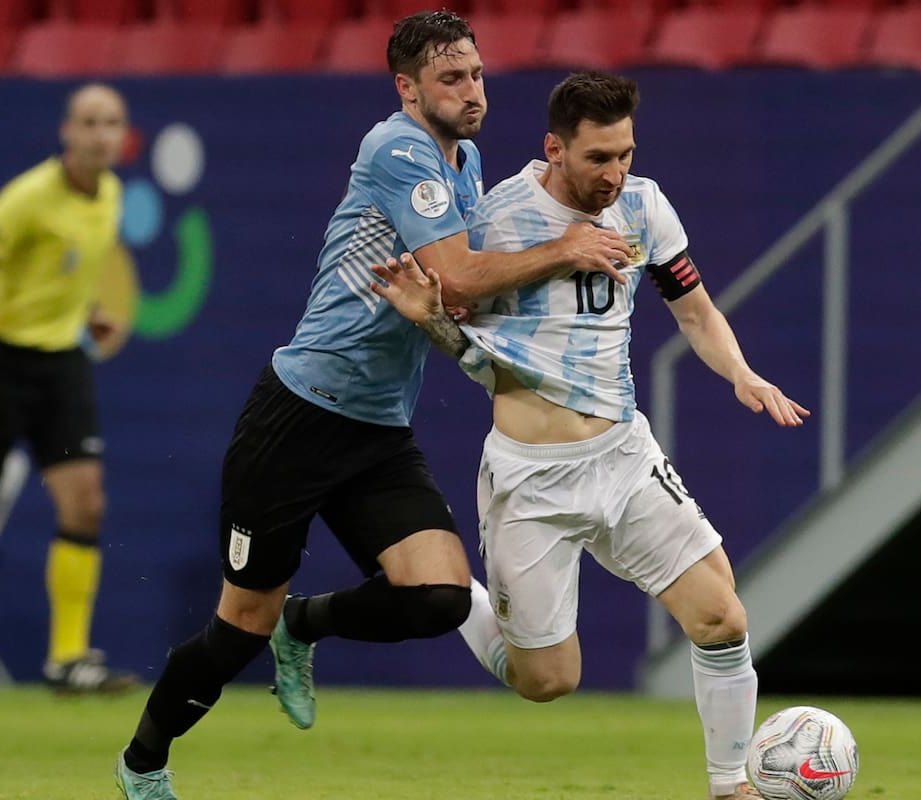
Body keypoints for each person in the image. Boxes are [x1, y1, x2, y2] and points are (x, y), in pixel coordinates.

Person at [113, 12, 630, 800]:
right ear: (408, 88)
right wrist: (565, 248)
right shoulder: (396, 148)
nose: (472, 91)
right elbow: (458, 277)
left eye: (478, 74)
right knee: (238, 626)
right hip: (298, 417)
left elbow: (459, 294)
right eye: (451, 78)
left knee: (440, 598)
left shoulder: (467, 164)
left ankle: (305, 624)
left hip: (379, 429)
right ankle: (143, 762)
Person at [370, 71, 810, 800]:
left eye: (625, 154)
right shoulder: (497, 218)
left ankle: (730, 786)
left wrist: (742, 373)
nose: (616, 174)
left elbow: (696, 312)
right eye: (599, 158)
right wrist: (430, 316)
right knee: (546, 680)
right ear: (555, 149)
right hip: (530, 477)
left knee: (721, 616)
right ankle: (455, 594)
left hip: (622, 456)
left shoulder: (644, 207)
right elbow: (468, 343)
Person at [0, 82, 137, 695]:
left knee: (86, 503)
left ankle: (68, 661)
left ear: (124, 136)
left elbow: (65, 272)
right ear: (66, 131)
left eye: (111, 123)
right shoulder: (28, 198)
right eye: (89, 123)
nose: (100, 135)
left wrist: (87, 314)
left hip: (61, 363)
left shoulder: (111, 195)